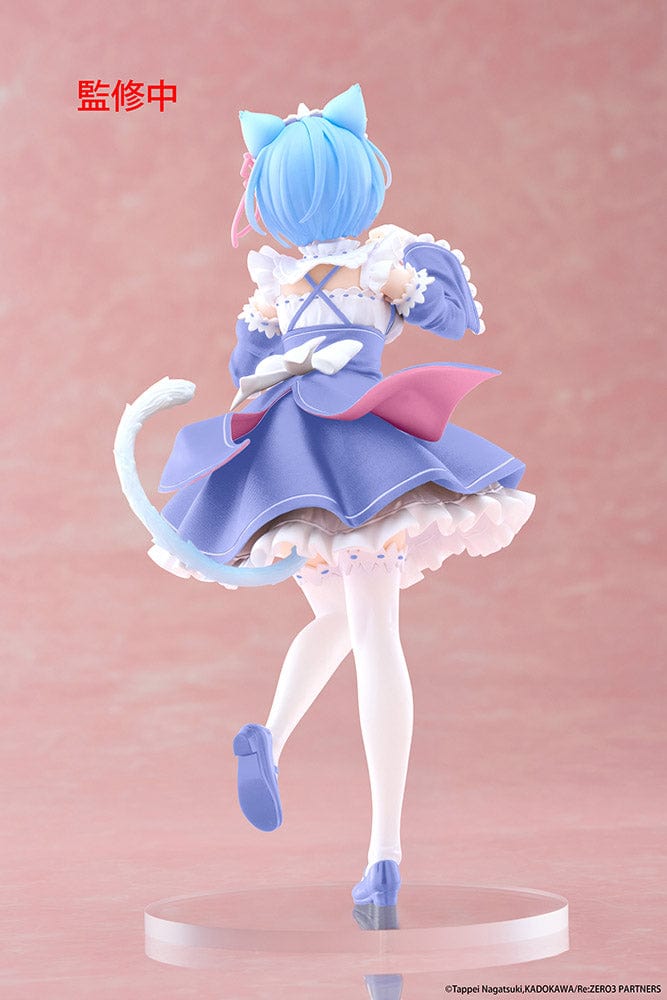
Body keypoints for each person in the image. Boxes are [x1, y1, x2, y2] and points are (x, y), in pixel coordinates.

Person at [121, 84, 535, 911]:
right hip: (362, 450)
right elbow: (450, 321)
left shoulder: (277, 280)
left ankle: (270, 737)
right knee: (375, 633)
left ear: (270, 198)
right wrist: (399, 285)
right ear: (361, 180)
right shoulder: (378, 262)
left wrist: (282, 338)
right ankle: (383, 856)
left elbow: (246, 368)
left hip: (289, 457)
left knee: (339, 620)